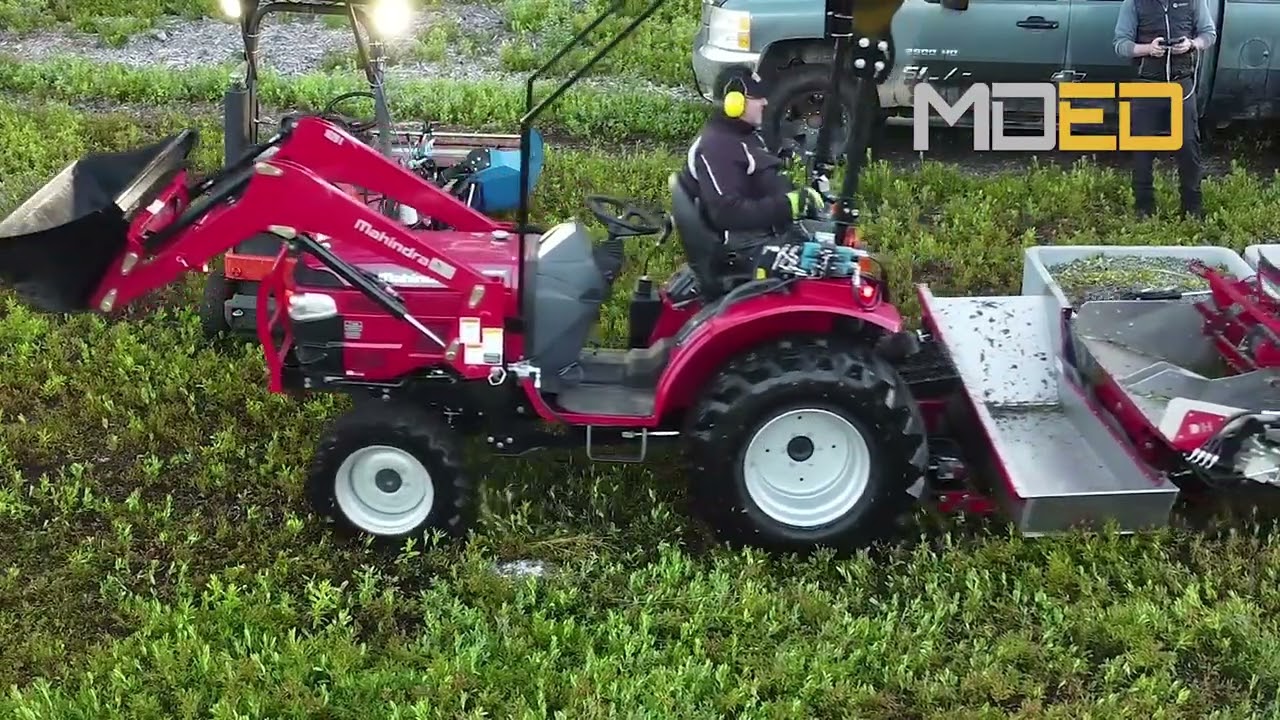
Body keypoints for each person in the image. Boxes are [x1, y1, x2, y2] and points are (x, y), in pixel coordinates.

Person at [676, 68, 830, 278]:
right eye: (757, 97)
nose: (765, 102)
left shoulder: (747, 137)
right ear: (734, 103)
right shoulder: (717, 147)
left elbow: (766, 187)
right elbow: (727, 213)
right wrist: (788, 205)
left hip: (771, 236)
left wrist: (802, 197)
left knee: (841, 245)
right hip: (742, 253)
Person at [1113, 0, 1217, 219]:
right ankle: (1144, 208)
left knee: (1188, 145)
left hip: (1181, 83)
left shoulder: (1194, 2)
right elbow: (1121, 45)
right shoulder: (1133, 3)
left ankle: (1192, 209)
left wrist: (1191, 44)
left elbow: (1209, 34)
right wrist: (1148, 49)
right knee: (1142, 148)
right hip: (1146, 83)